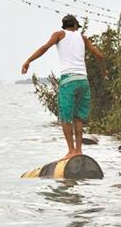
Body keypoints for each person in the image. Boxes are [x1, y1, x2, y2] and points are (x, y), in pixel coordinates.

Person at [21, 14, 107, 161]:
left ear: (65, 26)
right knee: (78, 117)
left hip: (69, 81)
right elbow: (99, 55)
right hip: (83, 81)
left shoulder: (59, 34)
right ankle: (79, 150)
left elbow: (44, 48)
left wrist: (28, 60)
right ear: (74, 26)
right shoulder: (82, 38)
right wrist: (104, 71)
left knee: (66, 118)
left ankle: (71, 151)